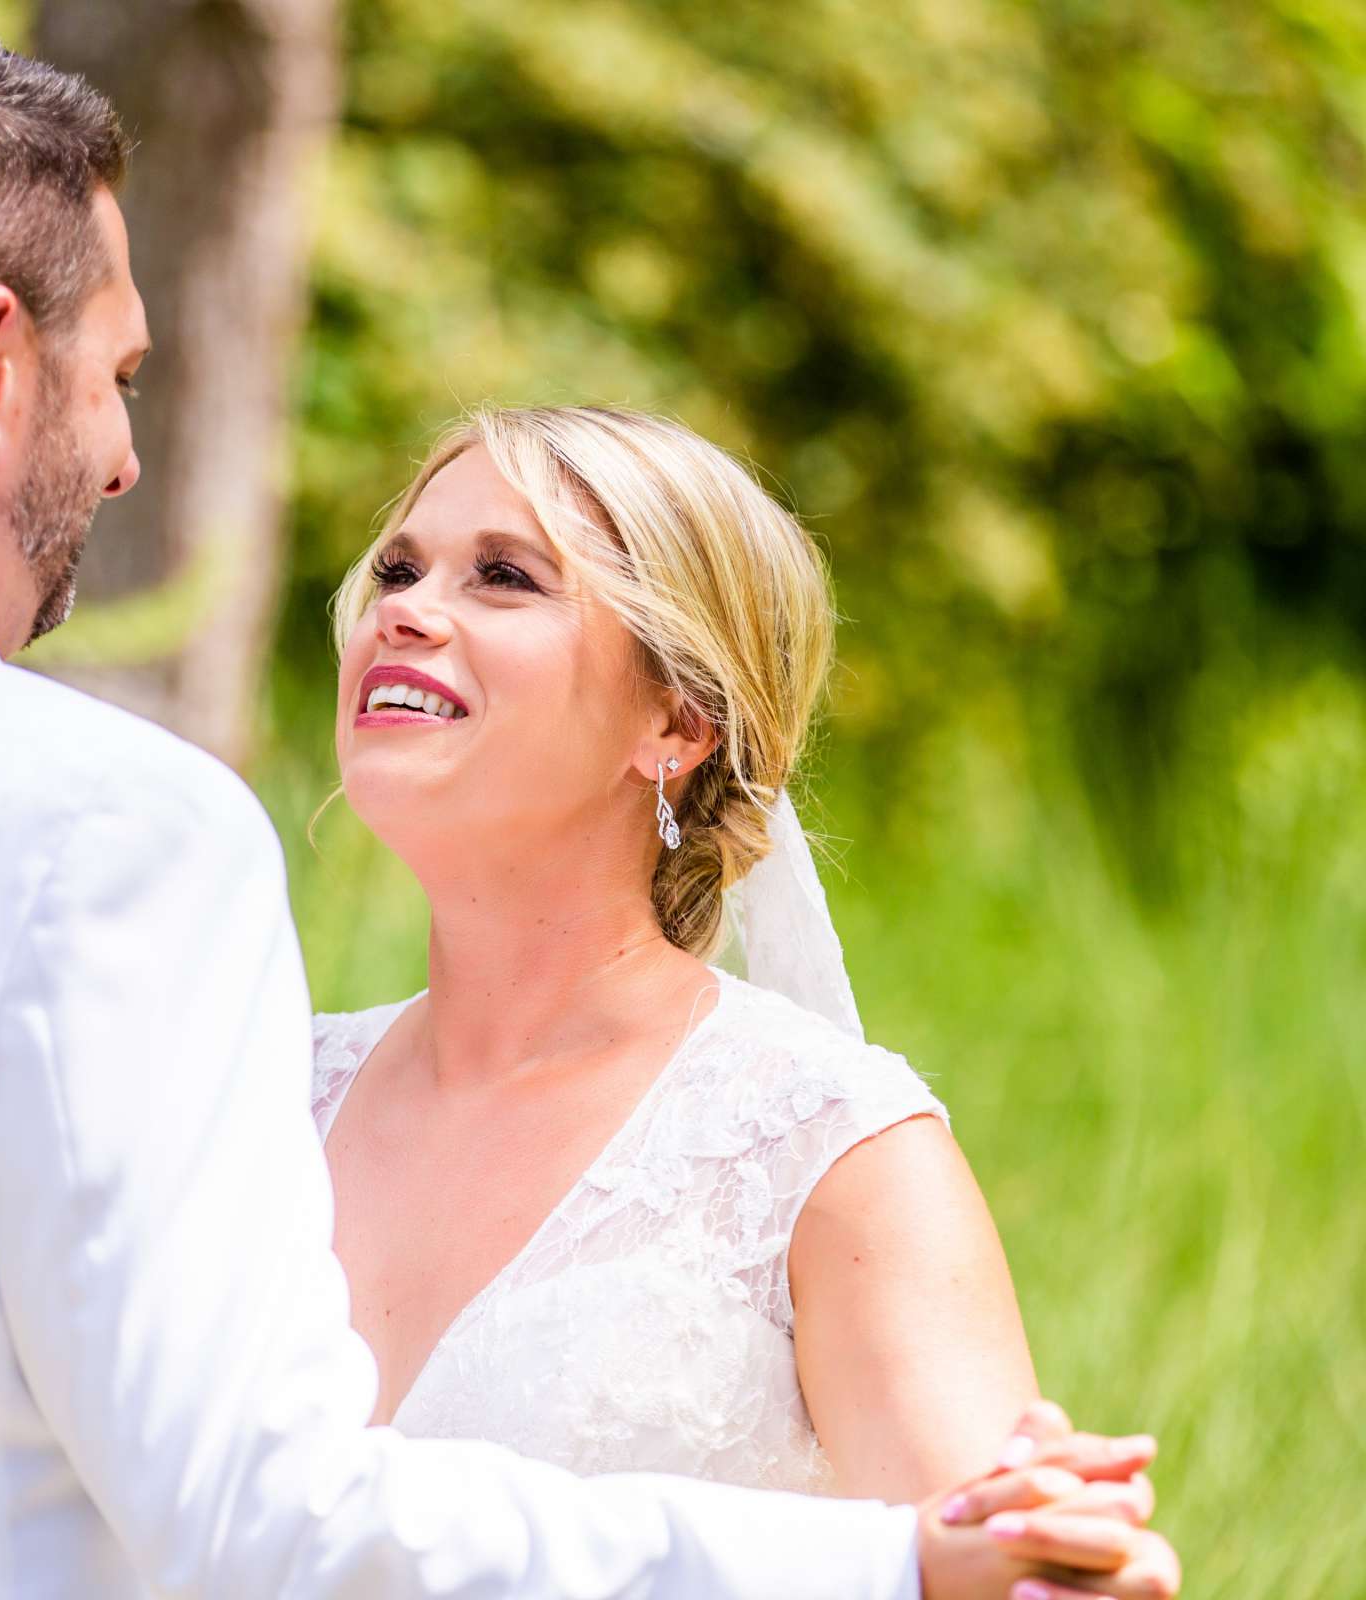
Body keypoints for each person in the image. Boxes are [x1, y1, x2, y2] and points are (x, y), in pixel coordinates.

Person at [0, 18, 1179, 1599]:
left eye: (503, 579)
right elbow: (262, 1518)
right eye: (113, 380)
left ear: (679, 723)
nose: (118, 459)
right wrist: (867, 1569)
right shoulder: (113, 839)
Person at [314, 404, 1090, 1513]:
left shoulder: (834, 1157)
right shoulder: (261, 1104)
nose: (406, 612)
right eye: (397, 569)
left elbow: (995, 1568)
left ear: (676, 723)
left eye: (504, 577)